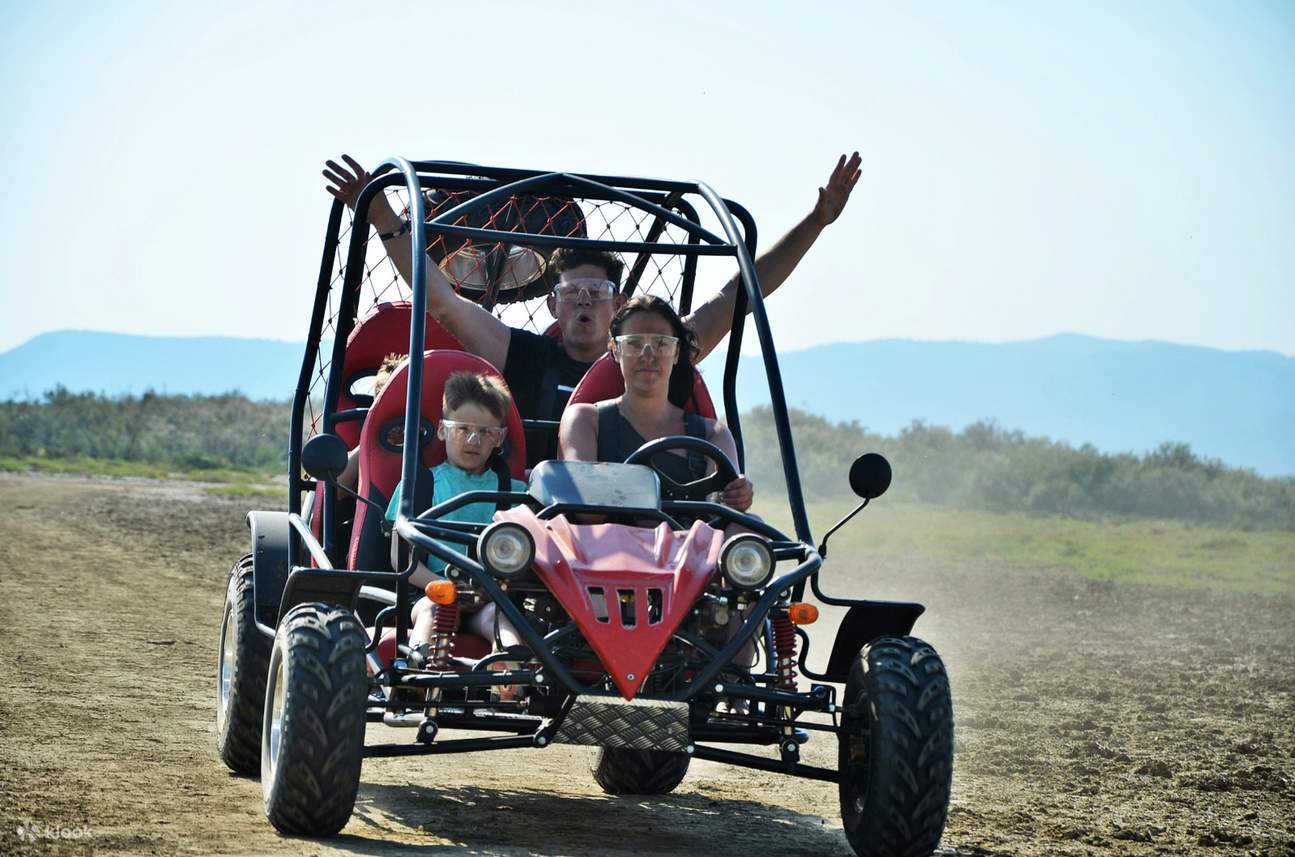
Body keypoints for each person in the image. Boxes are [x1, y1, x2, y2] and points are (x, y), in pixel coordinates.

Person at [322, 152, 862, 465]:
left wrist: (815, 222)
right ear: (552, 302)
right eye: (573, 293)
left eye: (597, 294)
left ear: (619, 304)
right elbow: (441, 299)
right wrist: (385, 219)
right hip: (529, 528)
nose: (584, 302)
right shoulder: (522, 353)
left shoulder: (651, 355)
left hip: (639, 529)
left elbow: (739, 294)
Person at [381, 370, 527, 679]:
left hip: (490, 597)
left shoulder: (514, 493)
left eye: (486, 432)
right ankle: (419, 670)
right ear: (444, 431)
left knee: (500, 619)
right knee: (432, 611)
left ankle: (510, 676)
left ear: (499, 438)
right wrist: (442, 586)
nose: (474, 441)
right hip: (431, 590)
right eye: (463, 429)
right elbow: (400, 557)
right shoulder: (418, 485)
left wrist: (492, 591)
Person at [556, 295, 753, 512]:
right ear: (615, 350)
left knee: (747, 530)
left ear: (676, 352)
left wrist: (735, 496)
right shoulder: (585, 420)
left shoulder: (713, 434)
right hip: (603, 543)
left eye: (661, 344)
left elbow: (720, 513)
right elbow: (583, 509)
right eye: (634, 343)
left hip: (689, 542)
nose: (647, 355)